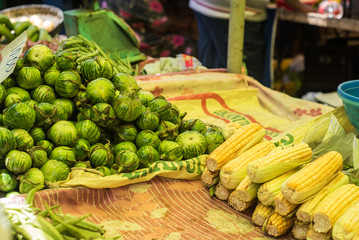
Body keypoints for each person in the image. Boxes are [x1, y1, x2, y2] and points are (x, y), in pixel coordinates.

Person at [189, 0, 313, 84]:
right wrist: (299, 6)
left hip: (204, 5)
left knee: (211, 69)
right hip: (237, 12)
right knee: (247, 79)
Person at [99, 0, 198, 59]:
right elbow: (162, 26)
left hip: (112, 36)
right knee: (187, 42)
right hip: (133, 42)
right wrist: (185, 24)